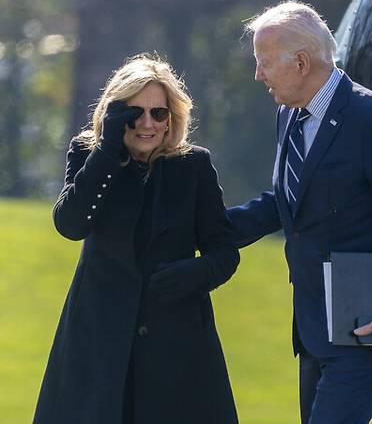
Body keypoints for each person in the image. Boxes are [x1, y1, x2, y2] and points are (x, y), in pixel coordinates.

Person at [227, 0, 372, 424]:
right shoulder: (288, 114)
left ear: (302, 62)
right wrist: (208, 230)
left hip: (364, 330)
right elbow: (289, 199)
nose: (258, 75)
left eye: (265, 62)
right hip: (312, 330)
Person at [33, 54, 240, 424]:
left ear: (171, 117)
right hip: (97, 340)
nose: (147, 124)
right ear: (114, 114)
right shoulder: (89, 155)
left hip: (177, 342)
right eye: (133, 113)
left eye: (158, 113)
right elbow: (71, 224)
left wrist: (192, 274)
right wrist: (108, 151)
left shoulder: (194, 164)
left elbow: (224, 252)